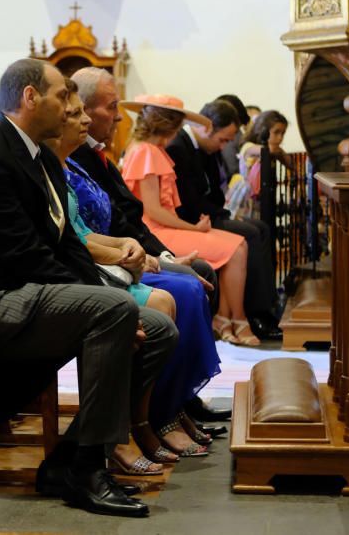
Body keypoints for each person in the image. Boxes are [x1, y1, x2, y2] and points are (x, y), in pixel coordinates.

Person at [0, 58, 176, 518]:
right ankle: (89, 470)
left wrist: (116, 300)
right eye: (62, 96)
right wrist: (110, 305)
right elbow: (23, 255)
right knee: (115, 312)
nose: (71, 107)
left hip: (34, 293)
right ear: (30, 98)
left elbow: (66, 246)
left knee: (159, 328)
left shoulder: (40, 156)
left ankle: (65, 460)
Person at [56, 84, 218, 461]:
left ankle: (173, 405)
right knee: (184, 291)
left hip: (115, 256)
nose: (117, 117)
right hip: (87, 270)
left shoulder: (80, 160)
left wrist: (143, 250)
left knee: (196, 277)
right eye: (108, 108)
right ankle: (146, 419)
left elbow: (112, 219)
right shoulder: (62, 163)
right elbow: (68, 236)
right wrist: (130, 252)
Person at [120, 95, 257, 346]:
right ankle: (236, 318)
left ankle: (226, 318)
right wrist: (193, 228)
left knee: (238, 244)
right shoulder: (146, 152)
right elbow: (153, 210)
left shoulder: (150, 150)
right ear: (170, 126)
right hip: (156, 231)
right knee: (237, 247)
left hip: (163, 227)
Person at [69, 68, 219, 299]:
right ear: (83, 110)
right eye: (111, 106)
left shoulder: (97, 153)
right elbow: (132, 215)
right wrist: (152, 255)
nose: (119, 116)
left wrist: (164, 256)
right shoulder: (74, 156)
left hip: (132, 244)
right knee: (195, 278)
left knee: (202, 268)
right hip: (117, 254)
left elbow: (127, 214)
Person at [168, 100, 281, 338]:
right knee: (248, 233)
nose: (224, 146)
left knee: (260, 227)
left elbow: (214, 192)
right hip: (191, 219)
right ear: (207, 128)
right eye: (224, 140)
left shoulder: (204, 147)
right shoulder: (178, 146)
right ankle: (255, 313)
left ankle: (267, 306)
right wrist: (217, 213)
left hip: (205, 214)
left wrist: (221, 211)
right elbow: (188, 201)